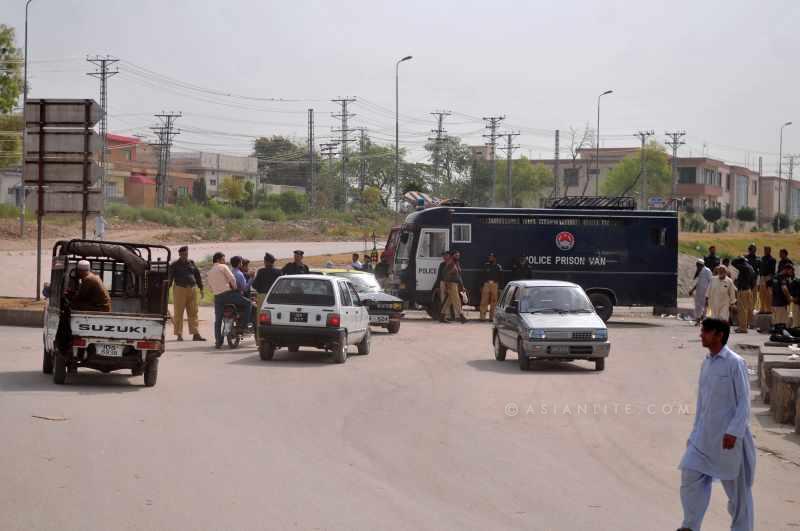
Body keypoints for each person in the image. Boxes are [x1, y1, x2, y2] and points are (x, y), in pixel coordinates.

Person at [677, 318, 755, 531]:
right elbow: (702, 404)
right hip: (703, 438)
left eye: (705, 331)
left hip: (729, 440)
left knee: (738, 493)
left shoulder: (734, 362)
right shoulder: (707, 363)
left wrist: (733, 432)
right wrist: (694, 434)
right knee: (690, 475)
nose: (701, 335)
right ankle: (690, 526)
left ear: (719, 335)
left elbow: (744, 401)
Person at [207, 252, 252, 349]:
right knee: (248, 303)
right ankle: (243, 326)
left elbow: (210, 288)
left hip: (217, 297)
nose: (225, 261)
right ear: (218, 260)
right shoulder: (223, 267)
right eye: (223, 259)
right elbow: (232, 279)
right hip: (229, 295)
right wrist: (235, 288)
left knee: (218, 320)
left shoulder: (209, 272)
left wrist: (216, 290)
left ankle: (218, 341)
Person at [167, 246, 205, 342]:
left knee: (193, 312)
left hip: (192, 288)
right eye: (183, 254)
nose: (185, 256)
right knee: (179, 312)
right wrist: (167, 289)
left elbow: (197, 276)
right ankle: (179, 334)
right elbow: (170, 278)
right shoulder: (174, 264)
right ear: (179, 254)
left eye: (186, 254)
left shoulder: (191, 263)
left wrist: (201, 288)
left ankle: (195, 334)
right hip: (180, 289)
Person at [440, 250, 467, 324]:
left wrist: (462, 286)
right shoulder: (450, 263)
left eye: (459, 255)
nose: (458, 257)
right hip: (451, 284)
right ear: (452, 256)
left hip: (456, 284)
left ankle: (442, 316)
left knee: (449, 300)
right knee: (457, 300)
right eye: (456, 255)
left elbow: (458, 276)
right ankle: (461, 316)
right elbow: (445, 274)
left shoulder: (456, 263)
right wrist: (447, 285)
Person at [731, 256, 755, 333]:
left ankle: (743, 328)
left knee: (742, 310)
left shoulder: (743, 267)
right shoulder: (751, 268)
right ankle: (746, 325)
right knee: (748, 309)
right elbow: (753, 281)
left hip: (743, 290)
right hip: (749, 289)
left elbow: (733, 262)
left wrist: (739, 258)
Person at [479, 252, 503, 321]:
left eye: (492, 257)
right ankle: (482, 317)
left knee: (494, 301)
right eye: (490, 257)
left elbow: (501, 277)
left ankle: (492, 317)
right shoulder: (486, 265)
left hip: (495, 284)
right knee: (484, 300)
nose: (490, 258)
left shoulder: (498, 267)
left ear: (495, 258)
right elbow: (482, 276)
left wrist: (500, 287)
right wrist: (481, 285)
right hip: (486, 284)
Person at [688, 259, 712, 325]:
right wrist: (692, 290)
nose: (698, 266)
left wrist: (709, 292)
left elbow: (711, 282)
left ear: (702, 265)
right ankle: (698, 319)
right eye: (697, 265)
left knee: (705, 306)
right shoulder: (698, 271)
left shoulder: (707, 271)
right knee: (697, 306)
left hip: (705, 292)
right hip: (698, 292)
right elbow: (697, 282)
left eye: (699, 265)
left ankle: (704, 320)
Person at [771, 262, 793, 327]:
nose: (791, 272)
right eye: (790, 271)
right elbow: (784, 289)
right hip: (781, 303)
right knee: (782, 323)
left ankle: (776, 334)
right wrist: (789, 298)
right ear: (787, 269)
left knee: (776, 322)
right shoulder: (783, 277)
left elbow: (770, 289)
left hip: (775, 302)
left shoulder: (776, 276)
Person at [758, 246, 776, 314]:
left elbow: (773, 271)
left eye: (767, 250)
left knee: (769, 295)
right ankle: (762, 309)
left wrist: (768, 278)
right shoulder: (762, 258)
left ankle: (769, 309)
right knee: (761, 295)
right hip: (762, 277)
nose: (765, 251)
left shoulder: (772, 259)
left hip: (769, 278)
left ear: (769, 251)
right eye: (764, 250)